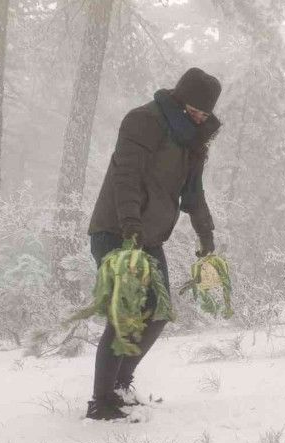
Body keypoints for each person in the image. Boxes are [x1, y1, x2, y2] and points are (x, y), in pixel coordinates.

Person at [84, 67, 222, 420]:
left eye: (204, 113)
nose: (198, 117)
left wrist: (206, 235)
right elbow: (126, 176)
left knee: (158, 313)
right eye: (194, 110)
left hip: (149, 237)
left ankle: (120, 386)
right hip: (116, 231)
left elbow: (193, 194)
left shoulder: (192, 141)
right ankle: (102, 402)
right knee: (127, 311)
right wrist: (129, 225)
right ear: (179, 99)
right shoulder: (143, 120)